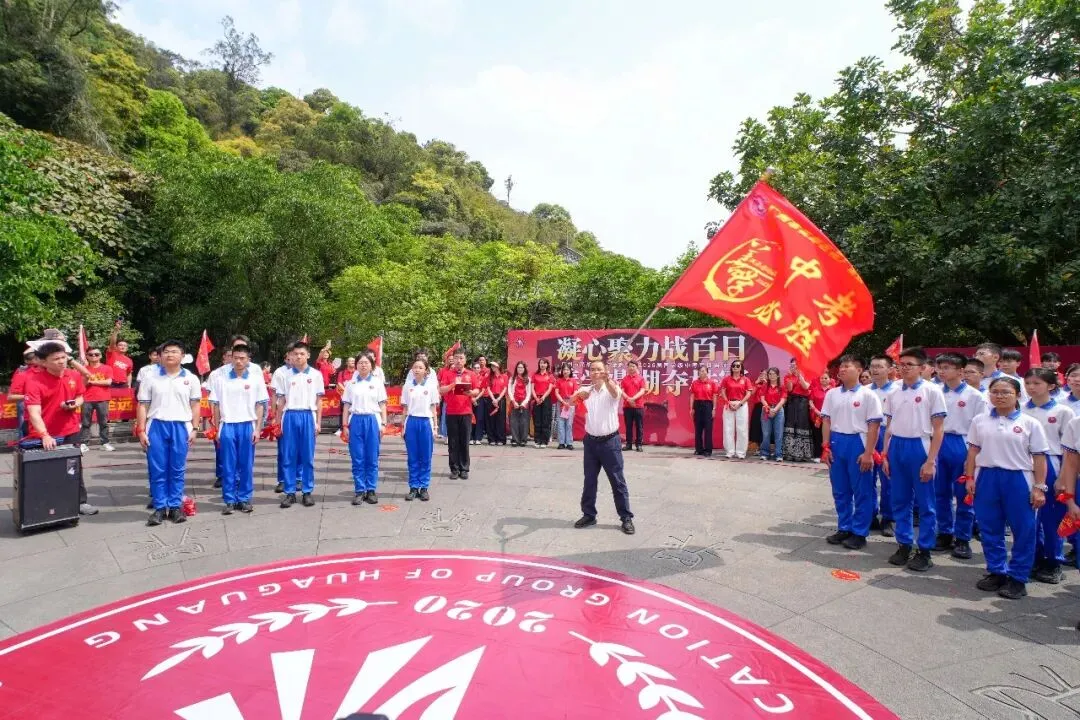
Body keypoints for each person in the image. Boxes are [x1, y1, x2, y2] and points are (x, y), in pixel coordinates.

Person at [963, 376, 1049, 599]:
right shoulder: (980, 421)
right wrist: (970, 477)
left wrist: (1039, 487)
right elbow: (972, 452)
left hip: (1018, 479)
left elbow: (1039, 458)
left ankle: (1018, 577)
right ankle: (997, 571)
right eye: (995, 392)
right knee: (990, 528)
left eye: (1006, 392)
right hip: (987, 477)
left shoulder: (1030, 423)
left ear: (1018, 395)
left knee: (1024, 530)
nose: (999, 396)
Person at [883, 346, 947, 571]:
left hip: (920, 446)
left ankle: (925, 549)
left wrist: (931, 461)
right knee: (900, 500)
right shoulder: (893, 391)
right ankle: (904, 543)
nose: (904, 368)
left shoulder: (932, 391)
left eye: (909, 365)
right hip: (897, 447)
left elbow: (938, 430)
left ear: (922, 368)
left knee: (926, 502)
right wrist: (885, 455)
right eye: (901, 364)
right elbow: (889, 426)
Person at [21, 342, 98, 516]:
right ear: (43, 362)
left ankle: (80, 502)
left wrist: (73, 404)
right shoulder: (33, 381)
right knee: (46, 470)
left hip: (70, 430)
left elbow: (80, 396)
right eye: (56, 359)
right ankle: (46, 505)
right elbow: (33, 412)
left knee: (74, 467)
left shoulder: (73, 376)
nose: (61, 361)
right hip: (44, 434)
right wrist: (45, 435)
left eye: (63, 357)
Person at [820, 355, 883, 551]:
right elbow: (826, 421)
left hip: (858, 442)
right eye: (841, 367)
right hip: (837, 442)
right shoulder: (832, 394)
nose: (842, 370)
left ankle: (860, 532)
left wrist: (868, 453)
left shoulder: (868, 395)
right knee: (840, 489)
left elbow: (874, 426)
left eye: (847, 366)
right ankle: (844, 527)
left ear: (858, 370)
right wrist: (825, 446)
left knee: (862, 490)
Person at [136, 340, 201, 526]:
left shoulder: (191, 378)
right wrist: (141, 430)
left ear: (182, 356)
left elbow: (195, 405)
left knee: (177, 469)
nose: (169, 355)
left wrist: (195, 429)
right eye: (166, 352)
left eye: (174, 352)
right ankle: (159, 507)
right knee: (157, 469)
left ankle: (175, 506)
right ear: (161, 356)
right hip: (156, 425)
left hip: (181, 426)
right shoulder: (150, 377)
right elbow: (143, 405)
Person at [933, 352, 988, 560]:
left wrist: (974, 456)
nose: (942, 371)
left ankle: (963, 537)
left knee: (964, 493)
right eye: (940, 367)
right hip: (939, 442)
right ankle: (944, 532)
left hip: (962, 443)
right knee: (940, 492)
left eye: (947, 367)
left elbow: (981, 427)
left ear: (960, 371)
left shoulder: (976, 397)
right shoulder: (935, 392)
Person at [1022, 368, 1074, 584]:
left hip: (1052, 463)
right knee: (1028, 516)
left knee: (1051, 517)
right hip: (1025, 464)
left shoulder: (1063, 412)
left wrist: (1062, 477)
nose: (1031, 387)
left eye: (1037, 383)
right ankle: (1034, 557)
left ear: (1051, 386)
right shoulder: (1022, 409)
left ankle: (1053, 561)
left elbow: (1068, 449)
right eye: (1028, 383)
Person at [572, 360, 635, 535]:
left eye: (599, 370)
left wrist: (608, 381)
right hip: (591, 442)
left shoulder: (612, 388)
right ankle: (589, 514)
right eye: (592, 370)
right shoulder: (586, 390)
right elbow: (570, 402)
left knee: (617, 481)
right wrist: (578, 398)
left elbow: (616, 394)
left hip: (610, 443)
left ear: (605, 372)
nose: (595, 372)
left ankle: (626, 517)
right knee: (589, 480)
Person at [208, 344, 267, 515]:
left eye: (242, 358)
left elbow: (260, 406)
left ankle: (244, 498)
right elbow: (216, 406)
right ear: (231, 358)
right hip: (227, 426)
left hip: (247, 425)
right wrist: (217, 428)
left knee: (246, 465)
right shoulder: (221, 379)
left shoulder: (255, 379)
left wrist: (257, 429)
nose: (239, 361)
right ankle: (229, 500)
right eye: (236, 358)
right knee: (228, 465)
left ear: (248, 360)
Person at [274, 341, 325, 508]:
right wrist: (277, 421)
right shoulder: (285, 375)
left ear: (308, 355)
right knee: (289, 455)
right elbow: (280, 400)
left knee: (307, 456)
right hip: (290, 416)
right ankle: (289, 492)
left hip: (308, 416)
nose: (298, 356)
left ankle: (307, 491)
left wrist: (318, 422)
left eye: (302, 354)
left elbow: (319, 400)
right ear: (290, 356)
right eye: (295, 354)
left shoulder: (316, 375)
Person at [342, 353, 387, 505]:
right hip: (356, 420)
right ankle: (360, 490)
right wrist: (344, 425)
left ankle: (371, 489)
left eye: (366, 363)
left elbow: (382, 404)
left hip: (372, 420)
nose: (363, 365)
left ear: (371, 365)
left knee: (372, 457)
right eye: (360, 362)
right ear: (356, 365)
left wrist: (384, 423)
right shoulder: (351, 384)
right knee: (357, 457)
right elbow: (346, 406)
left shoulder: (377, 382)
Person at [869, 355, 900, 536]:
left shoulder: (897, 390)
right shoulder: (864, 390)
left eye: (880, 366)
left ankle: (888, 517)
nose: (875, 370)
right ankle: (870, 514)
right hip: (868, 434)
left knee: (888, 478)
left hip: (888, 434)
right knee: (867, 477)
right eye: (872, 366)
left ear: (890, 369)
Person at [438, 350, 479, 478]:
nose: (458, 361)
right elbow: (441, 390)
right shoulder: (447, 374)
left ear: (465, 360)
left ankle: (464, 468)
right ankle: (454, 469)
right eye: (456, 358)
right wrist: (453, 384)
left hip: (466, 412)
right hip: (451, 412)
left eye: (461, 358)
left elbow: (477, 390)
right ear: (453, 360)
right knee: (453, 442)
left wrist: (471, 393)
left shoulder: (471, 374)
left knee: (464, 441)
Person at [401, 357, 437, 500]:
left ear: (426, 371)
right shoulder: (407, 386)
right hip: (412, 422)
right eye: (415, 367)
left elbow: (434, 408)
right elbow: (404, 408)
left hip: (426, 422)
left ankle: (424, 487)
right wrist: (403, 427)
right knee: (413, 456)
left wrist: (435, 427)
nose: (417, 370)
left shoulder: (431, 386)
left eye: (420, 367)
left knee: (426, 456)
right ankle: (413, 487)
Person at [75, 347, 115, 453]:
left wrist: (92, 382)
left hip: (103, 398)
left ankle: (105, 442)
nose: (94, 356)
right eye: (91, 354)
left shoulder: (107, 368)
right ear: (87, 356)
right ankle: (83, 443)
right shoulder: (83, 369)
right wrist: (87, 379)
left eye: (96, 354)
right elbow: (82, 384)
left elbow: (108, 382)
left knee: (104, 422)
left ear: (100, 356)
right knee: (85, 422)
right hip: (86, 398)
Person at [720, 359, 755, 459]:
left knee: (742, 429)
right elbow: (723, 392)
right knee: (728, 428)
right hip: (729, 404)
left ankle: (741, 452)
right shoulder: (726, 379)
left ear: (741, 368)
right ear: (731, 368)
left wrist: (740, 404)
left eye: (737, 366)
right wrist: (728, 402)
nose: (735, 367)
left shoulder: (746, 380)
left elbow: (748, 393)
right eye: (733, 366)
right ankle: (730, 451)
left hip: (742, 405)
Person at [782, 359, 813, 461]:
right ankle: (790, 453)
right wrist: (791, 376)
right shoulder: (787, 376)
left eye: (796, 365)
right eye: (792, 365)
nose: (794, 367)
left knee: (802, 424)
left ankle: (802, 454)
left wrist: (800, 376)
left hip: (803, 402)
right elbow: (790, 389)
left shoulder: (806, 374)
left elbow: (806, 387)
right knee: (791, 424)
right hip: (792, 401)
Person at [757, 367, 787, 461]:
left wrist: (775, 410)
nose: (771, 376)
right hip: (766, 409)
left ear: (778, 375)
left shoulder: (782, 386)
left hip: (778, 410)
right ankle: (765, 453)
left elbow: (783, 399)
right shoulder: (765, 386)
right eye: (770, 374)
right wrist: (768, 408)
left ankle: (778, 454)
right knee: (766, 433)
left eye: (774, 374)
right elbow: (762, 398)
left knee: (778, 433)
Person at [9, 348, 39, 438]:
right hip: (24, 399)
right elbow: (11, 395)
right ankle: (24, 444)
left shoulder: (21, 370)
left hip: (28, 399)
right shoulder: (22, 371)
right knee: (23, 424)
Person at [689, 365, 718, 457]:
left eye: (704, 371)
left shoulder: (712, 383)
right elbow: (692, 396)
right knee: (698, 428)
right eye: (701, 371)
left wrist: (714, 408)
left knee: (708, 428)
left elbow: (714, 396)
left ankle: (708, 450)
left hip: (708, 405)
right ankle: (699, 449)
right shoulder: (695, 383)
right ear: (698, 373)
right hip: (697, 405)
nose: (702, 372)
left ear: (707, 372)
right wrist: (691, 408)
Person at [808, 370, 835, 462]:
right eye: (822, 378)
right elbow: (811, 402)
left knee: (829, 437)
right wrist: (817, 411)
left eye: (825, 378)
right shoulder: (815, 389)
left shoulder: (833, 390)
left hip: (829, 418)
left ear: (830, 379)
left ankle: (829, 455)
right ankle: (817, 455)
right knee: (817, 436)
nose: (823, 380)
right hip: (817, 417)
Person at [620, 360, 646, 451]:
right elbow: (621, 391)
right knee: (628, 426)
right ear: (627, 368)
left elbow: (642, 391)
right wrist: (628, 399)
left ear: (636, 367)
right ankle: (628, 444)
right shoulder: (624, 379)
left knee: (639, 426)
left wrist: (633, 399)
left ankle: (639, 444)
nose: (631, 368)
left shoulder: (641, 379)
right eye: (630, 366)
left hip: (638, 406)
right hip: (627, 407)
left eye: (633, 366)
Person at [554, 362, 580, 450]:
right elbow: (556, 392)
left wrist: (570, 401)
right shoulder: (558, 381)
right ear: (562, 371)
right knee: (561, 423)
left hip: (570, 403)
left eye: (567, 369)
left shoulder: (573, 380)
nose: (565, 371)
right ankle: (561, 443)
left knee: (569, 424)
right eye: (564, 369)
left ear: (570, 371)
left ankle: (569, 443)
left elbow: (576, 392)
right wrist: (562, 401)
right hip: (561, 403)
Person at [531, 358, 555, 448]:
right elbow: (532, 388)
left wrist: (543, 397)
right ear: (539, 364)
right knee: (537, 420)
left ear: (547, 365)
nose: (542, 365)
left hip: (546, 398)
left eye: (544, 363)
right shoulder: (535, 375)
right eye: (541, 363)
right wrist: (536, 398)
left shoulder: (550, 375)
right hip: (536, 398)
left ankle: (544, 441)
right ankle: (537, 440)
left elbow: (550, 388)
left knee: (545, 420)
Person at [508, 361, 532, 446]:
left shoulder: (528, 379)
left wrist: (524, 402)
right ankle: (515, 439)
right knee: (514, 421)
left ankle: (523, 440)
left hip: (524, 402)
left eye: (522, 367)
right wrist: (513, 401)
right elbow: (509, 391)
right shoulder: (512, 378)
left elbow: (529, 392)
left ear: (524, 369)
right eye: (518, 367)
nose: (520, 369)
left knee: (524, 421)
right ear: (516, 369)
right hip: (514, 401)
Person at [486, 361, 508, 445]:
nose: (492, 367)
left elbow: (505, 388)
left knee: (500, 420)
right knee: (491, 419)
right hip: (491, 398)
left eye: (494, 366)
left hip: (501, 398)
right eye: (491, 366)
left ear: (498, 366)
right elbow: (488, 388)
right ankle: (491, 439)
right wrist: (493, 399)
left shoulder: (504, 376)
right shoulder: (489, 376)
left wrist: (498, 399)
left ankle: (500, 439)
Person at [106, 321, 134, 388]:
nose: (123, 347)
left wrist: (129, 385)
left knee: (124, 399)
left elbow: (129, 374)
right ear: (116, 347)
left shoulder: (129, 360)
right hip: (111, 383)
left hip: (123, 385)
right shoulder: (112, 353)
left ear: (127, 348)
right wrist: (116, 330)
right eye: (120, 345)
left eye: (125, 346)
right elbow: (112, 343)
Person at [472, 356, 491, 445]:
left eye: (478, 368)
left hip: (480, 399)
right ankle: (471, 437)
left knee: (479, 418)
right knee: (471, 419)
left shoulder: (483, 378)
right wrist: (472, 398)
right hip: (470, 400)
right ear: (472, 369)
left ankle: (478, 438)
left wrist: (476, 398)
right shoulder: (469, 377)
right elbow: (467, 389)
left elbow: (483, 390)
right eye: (475, 368)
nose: (477, 369)